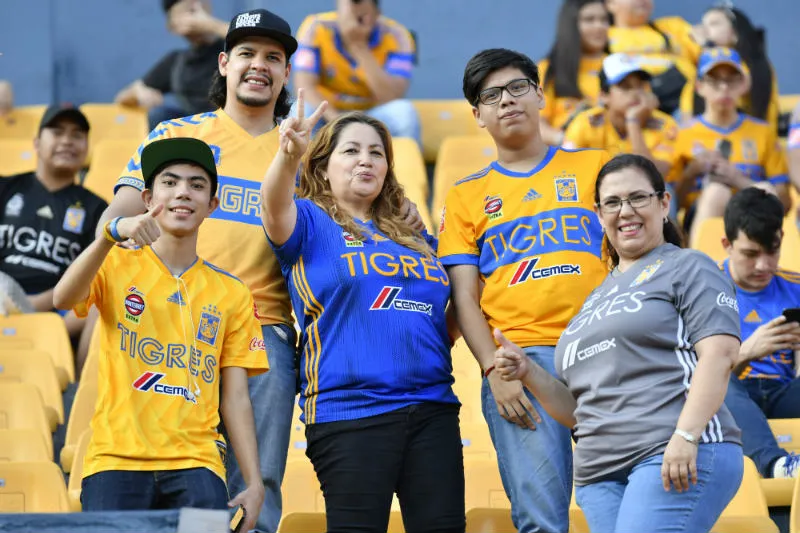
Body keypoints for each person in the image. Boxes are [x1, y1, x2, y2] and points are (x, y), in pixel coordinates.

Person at [97, 9, 423, 532]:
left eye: (274, 57)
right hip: (171, 326)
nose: (259, 66)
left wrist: (403, 211)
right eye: (247, 54)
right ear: (224, 63)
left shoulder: (308, 148)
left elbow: (360, 209)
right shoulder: (177, 134)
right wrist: (123, 232)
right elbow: (115, 219)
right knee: (186, 480)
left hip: (263, 331)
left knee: (257, 486)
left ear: (287, 73)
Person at [495, 153, 744, 533]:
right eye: (612, 202)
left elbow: (720, 355)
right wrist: (528, 372)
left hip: (668, 453)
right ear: (598, 215)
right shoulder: (595, 298)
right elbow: (578, 410)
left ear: (663, 204)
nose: (624, 211)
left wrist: (686, 435)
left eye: (637, 198)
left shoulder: (688, 265)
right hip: (598, 477)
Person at [262, 98, 464, 532]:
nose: (366, 160)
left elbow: (449, 306)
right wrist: (287, 155)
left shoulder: (414, 234)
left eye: (376, 152)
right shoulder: (309, 221)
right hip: (350, 411)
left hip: (433, 408)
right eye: (350, 150)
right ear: (323, 166)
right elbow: (272, 206)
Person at [53, 137, 267, 532]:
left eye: (197, 185)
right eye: (170, 182)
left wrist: (254, 482)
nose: (183, 192)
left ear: (213, 205)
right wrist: (108, 234)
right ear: (149, 196)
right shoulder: (115, 263)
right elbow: (63, 296)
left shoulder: (232, 292)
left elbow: (236, 396)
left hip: (198, 466)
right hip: (115, 462)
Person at [438, 48, 610, 533]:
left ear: (539, 95)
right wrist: (495, 368)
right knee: (541, 520)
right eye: (491, 96)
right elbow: (464, 299)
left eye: (517, 88)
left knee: (632, 510)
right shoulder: (466, 195)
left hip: (607, 351)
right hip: (521, 359)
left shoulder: (597, 167)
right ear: (477, 116)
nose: (507, 102)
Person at [0, 104, 107, 356]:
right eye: (57, 132)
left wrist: (34, 305)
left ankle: (79, 392)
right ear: (37, 143)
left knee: (101, 303)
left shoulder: (97, 208)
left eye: (77, 135)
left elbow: (92, 278)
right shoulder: (5, 188)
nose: (67, 141)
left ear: (87, 149)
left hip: (58, 310)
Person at [720, 187, 800, 479]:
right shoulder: (702, 289)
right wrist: (747, 352)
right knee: (716, 381)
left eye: (772, 251)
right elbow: (687, 373)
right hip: (732, 396)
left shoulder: (796, 287)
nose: (764, 265)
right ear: (727, 244)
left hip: (783, 392)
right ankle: (777, 466)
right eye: (751, 254)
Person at [672, 47, 789, 243]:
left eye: (731, 80)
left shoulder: (763, 132)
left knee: (764, 188)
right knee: (717, 191)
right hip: (700, 218)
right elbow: (672, 203)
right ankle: (698, 266)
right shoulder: (682, 133)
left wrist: (737, 179)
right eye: (714, 80)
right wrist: (692, 172)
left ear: (743, 85)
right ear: (699, 86)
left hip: (754, 218)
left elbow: (784, 202)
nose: (724, 88)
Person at [293, 0, 420, 145]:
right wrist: (338, 121)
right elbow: (305, 87)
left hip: (373, 114)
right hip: (327, 113)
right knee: (300, 111)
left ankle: (404, 167)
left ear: (377, 13)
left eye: (361, 17)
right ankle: (301, 167)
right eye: (347, 13)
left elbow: (391, 97)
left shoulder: (397, 35)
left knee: (404, 113)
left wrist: (358, 45)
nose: (352, 22)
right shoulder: (315, 27)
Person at [563, 53, 679, 182]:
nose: (635, 93)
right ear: (603, 96)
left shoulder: (664, 123)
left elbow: (657, 178)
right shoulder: (586, 122)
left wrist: (633, 123)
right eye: (625, 87)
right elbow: (567, 169)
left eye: (640, 86)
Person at [114, 0, 227, 129]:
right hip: (196, 132)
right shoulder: (177, 61)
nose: (194, 15)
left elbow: (253, 37)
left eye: (196, 9)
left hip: (231, 125)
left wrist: (211, 25)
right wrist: (139, 91)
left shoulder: (234, 48)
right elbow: (122, 97)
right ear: (172, 26)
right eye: (188, 10)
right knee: (159, 115)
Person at [682, 5, 779, 132]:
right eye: (703, 24)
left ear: (735, 33)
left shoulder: (753, 66)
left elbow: (739, 88)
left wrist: (707, 46)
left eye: (714, 24)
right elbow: (687, 116)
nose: (704, 30)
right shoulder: (698, 65)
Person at [605, 0, 700, 115]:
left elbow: (709, 52)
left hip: (691, 98)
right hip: (639, 109)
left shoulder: (673, 26)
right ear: (611, 4)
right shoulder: (603, 37)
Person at [538, 0, 609, 146]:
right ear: (570, 25)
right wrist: (567, 141)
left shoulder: (621, 66)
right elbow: (536, 124)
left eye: (604, 19)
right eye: (589, 20)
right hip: (565, 154)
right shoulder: (548, 68)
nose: (599, 26)